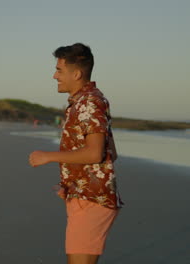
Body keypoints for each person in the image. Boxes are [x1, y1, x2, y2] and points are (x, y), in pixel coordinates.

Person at [29, 43, 122, 264]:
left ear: (77, 73)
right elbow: (111, 153)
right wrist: (73, 181)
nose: (54, 75)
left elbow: (94, 153)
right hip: (83, 194)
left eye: (59, 70)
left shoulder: (89, 102)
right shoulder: (83, 101)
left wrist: (48, 156)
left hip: (91, 199)